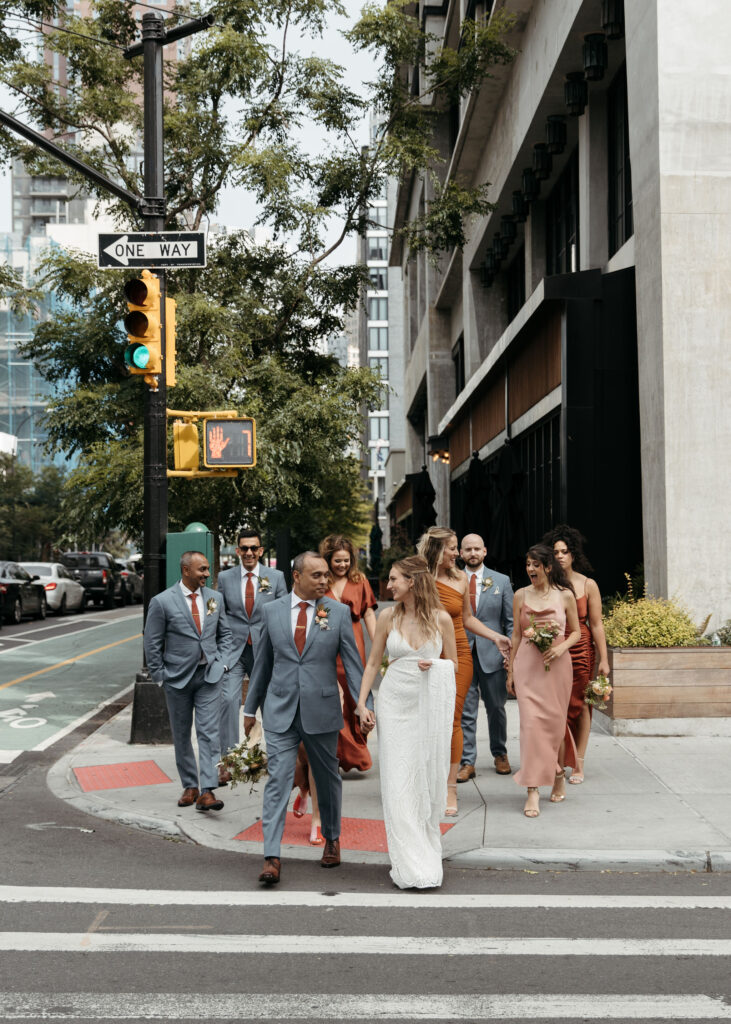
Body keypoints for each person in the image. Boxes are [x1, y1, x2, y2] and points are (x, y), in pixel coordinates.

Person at [243, 551, 372, 885]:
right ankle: (271, 856)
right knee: (278, 781)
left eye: (326, 575)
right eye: (317, 575)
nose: (324, 581)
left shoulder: (338, 613)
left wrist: (363, 705)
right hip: (280, 710)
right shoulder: (271, 612)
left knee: (328, 780)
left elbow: (355, 666)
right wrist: (249, 709)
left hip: (322, 709)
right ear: (296, 576)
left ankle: (332, 838)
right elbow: (263, 665)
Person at [356, 556, 457, 889]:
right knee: (399, 785)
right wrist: (361, 703)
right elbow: (373, 663)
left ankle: (427, 856)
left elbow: (453, 666)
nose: (388, 586)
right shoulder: (387, 616)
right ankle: (408, 864)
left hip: (427, 705)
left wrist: (435, 666)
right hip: (395, 704)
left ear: (412, 581)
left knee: (424, 782)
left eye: (394, 579)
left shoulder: (441, 619)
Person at [416, 526, 511, 817]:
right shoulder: (419, 578)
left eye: (459, 547)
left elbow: (468, 619)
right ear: (437, 549)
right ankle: (425, 782)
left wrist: (495, 636)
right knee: (429, 720)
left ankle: (450, 790)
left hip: (459, 655)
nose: (458, 553)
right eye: (453, 547)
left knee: (454, 719)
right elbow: (407, 616)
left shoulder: (459, 578)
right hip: (428, 654)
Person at [143, 550, 233, 812]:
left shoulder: (215, 598)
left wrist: (223, 662)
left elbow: (225, 634)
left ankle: (207, 791)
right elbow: (152, 642)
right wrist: (160, 676)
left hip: (209, 677)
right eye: (202, 570)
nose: (207, 574)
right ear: (185, 571)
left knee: (209, 733)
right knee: (182, 735)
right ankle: (190, 785)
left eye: (207, 569)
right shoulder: (162, 602)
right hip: (177, 680)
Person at [507, 544, 581, 818]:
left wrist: (562, 648)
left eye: (535, 565)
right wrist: (511, 670)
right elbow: (516, 634)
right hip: (527, 663)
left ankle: (558, 772)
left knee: (554, 724)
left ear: (548, 567)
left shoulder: (565, 596)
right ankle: (532, 790)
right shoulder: (519, 595)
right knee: (530, 725)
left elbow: (575, 632)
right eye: (527, 564)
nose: (530, 569)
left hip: (557, 664)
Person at [215, 527, 287, 783]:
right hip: (234, 651)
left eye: (253, 548)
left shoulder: (276, 577)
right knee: (227, 701)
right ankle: (228, 762)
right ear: (237, 551)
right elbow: (219, 615)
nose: (248, 552)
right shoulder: (225, 578)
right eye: (243, 548)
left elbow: (283, 614)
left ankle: (278, 758)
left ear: (261, 551)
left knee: (271, 703)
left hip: (264, 651)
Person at [544, 524, 610, 784]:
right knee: (556, 707)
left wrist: (604, 659)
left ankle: (578, 763)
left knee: (581, 705)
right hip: (554, 649)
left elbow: (596, 625)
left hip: (582, 649)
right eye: (555, 552)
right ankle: (559, 759)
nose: (560, 556)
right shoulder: (547, 583)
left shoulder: (587, 584)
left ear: (573, 554)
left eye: (565, 551)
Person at [458, 533, 514, 781]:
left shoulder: (501, 581)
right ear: (460, 553)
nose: (472, 553)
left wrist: (511, 655)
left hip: (493, 653)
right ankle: (467, 761)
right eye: (467, 549)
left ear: (484, 551)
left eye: (476, 549)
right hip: (462, 652)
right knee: (466, 711)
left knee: (496, 708)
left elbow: (510, 623)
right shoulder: (453, 580)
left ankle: (500, 753)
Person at [319, 534, 377, 773]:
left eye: (346, 560)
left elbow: (369, 614)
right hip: (326, 645)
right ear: (328, 560)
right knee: (333, 699)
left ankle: (355, 752)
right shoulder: (321, 581)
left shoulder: (359, 580)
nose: (342, 565)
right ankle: (336, 755)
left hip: (354, 644)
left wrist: (379, 642)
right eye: (337, 561)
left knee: (355, 696)